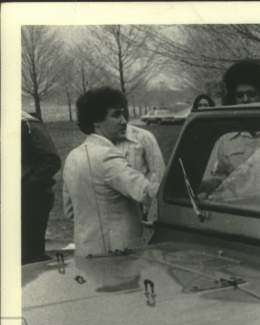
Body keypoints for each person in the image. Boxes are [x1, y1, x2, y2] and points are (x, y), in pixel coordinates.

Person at [62, 87, 160, 258]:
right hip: (118, 254)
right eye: (116, 115)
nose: (124, 121)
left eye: (123, 114)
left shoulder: (73, 156)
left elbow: (69, 210)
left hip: (85, 250)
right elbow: (147, 193)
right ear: (96, 122)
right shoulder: (108, 156)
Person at [201, 60, 260, 195]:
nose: (245, 100)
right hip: (239, 205)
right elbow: (217, 177)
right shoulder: (225, 139)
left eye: (251, 94)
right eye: (240, 95)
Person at [21, 111, 61, 264]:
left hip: (31, 199)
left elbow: (51, 160)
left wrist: (25, 185)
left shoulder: (27, 123)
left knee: (30, 255)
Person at [118, 118, 165, 224]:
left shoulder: (143, 136)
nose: (122, 120)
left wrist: (148, 209)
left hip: (139, 204)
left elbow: (158, 172)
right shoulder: (100, 141)